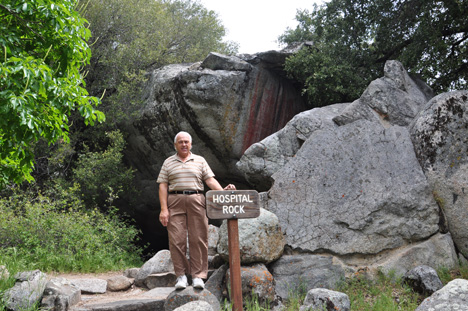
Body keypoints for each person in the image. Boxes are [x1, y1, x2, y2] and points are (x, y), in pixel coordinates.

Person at [157, 131, 235, 289]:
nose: (184, 144)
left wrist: (221, 191)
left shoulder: (200, 160)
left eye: (186, 142)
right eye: (180, 142)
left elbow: (209, 180)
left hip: (197, 199)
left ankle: (198, 276)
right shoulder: (168, 162)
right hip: (175, 201)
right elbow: (163, 185)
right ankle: (181, 277)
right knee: (176, 239)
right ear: (175, 145)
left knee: (199, 238)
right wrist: (164, 209)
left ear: (191, 144)